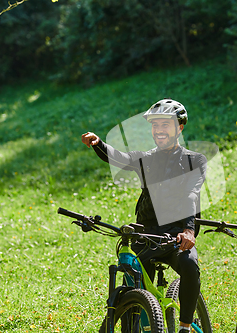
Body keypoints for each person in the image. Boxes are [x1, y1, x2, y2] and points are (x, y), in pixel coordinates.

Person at [81, 98, 207, 333]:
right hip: (146, 233)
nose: (159, 130)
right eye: (155, 125)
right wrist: (99, 143)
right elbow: (120, 158)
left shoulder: (195, 160)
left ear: (179, 127)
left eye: (165, 125)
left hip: (177, 234)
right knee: (133, 285)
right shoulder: (146, 159)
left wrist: (188, 230)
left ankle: (185, 326)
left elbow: (192, 194)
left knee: (189, 265)